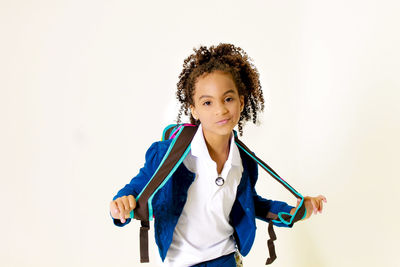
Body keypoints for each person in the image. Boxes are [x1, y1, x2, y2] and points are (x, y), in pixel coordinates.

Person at [109, 43, 327, 267]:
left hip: (225, 259)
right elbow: (136, 189)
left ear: (241, 102)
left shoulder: (243, 161)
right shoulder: (168, 155)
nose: (220, 110)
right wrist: (121, 205)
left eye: (228, 99)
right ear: (194, 109)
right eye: (207, 102)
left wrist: (296, 212)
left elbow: (251, 203)